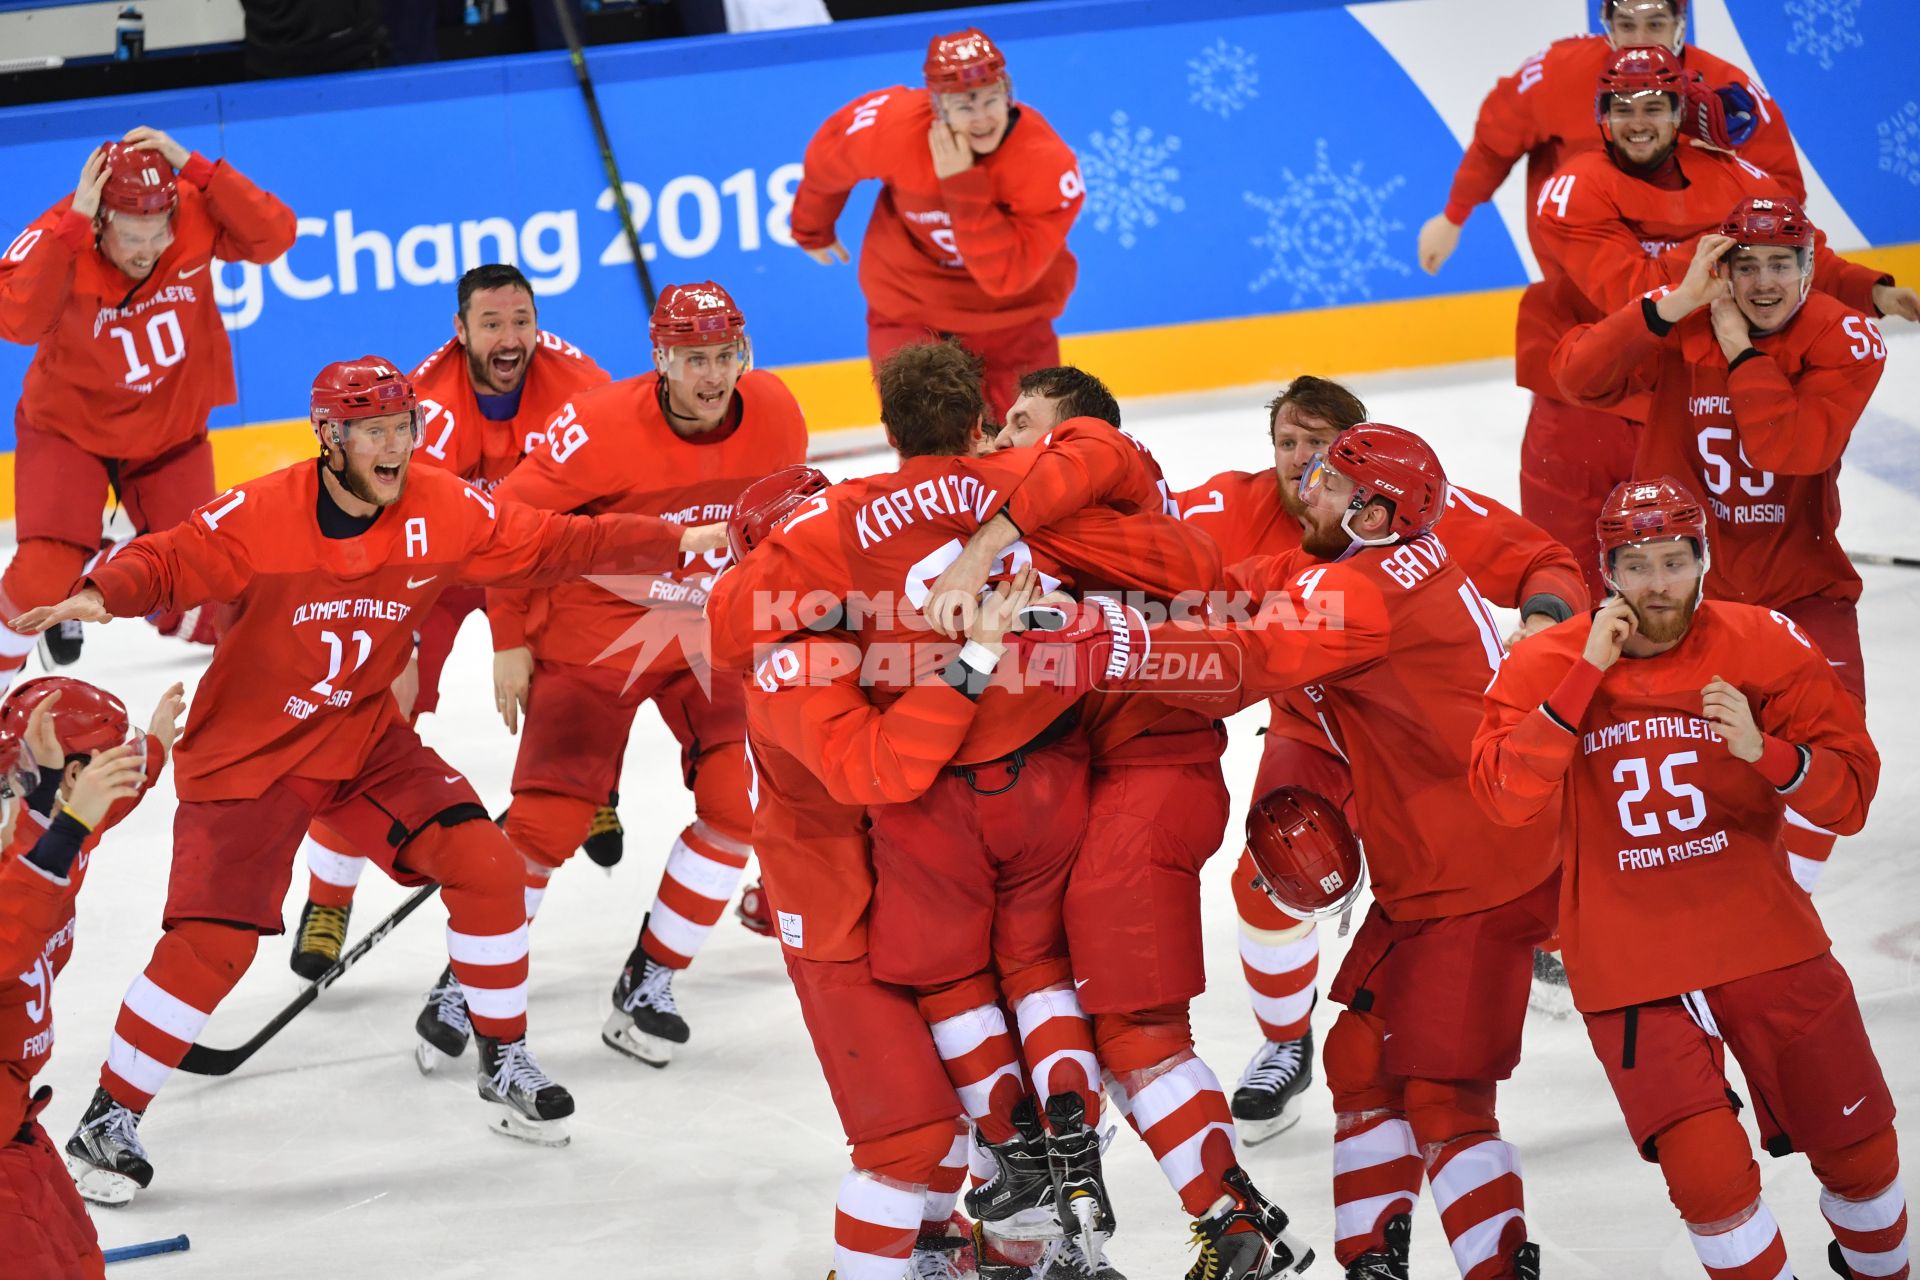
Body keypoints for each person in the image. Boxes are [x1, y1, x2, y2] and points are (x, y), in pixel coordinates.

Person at [14, 355, 719, 1202]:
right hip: (249, 760)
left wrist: (675, 537)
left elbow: (557, 542)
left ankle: (503, 1059)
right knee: (215, 947)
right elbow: (171, 558)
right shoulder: (265, 512)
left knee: (490, 865)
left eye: (403, 427)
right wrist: (102, 588)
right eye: (373, 431)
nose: (395, 447)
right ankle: (107, 1119)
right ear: (328, 437)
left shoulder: (441, 505)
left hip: (363, 743)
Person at [711, 342, 1309, 1280]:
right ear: (983, 429)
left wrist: (964, 644)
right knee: (1024, 1004)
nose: (1020, 448)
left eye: (1038, 433)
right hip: (1058, 787)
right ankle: (1058, 1232)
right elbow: (1182, 551)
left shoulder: (855, 536)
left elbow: (866, 746)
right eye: (1010, 428)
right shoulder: (1051, 504)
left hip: (1031, 802)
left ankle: (1145, 1220)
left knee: (1037, 1045)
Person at [1100, 424, 1560, 1280]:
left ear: (1376, 511)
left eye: (1325, 479)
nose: (1303, 488)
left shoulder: (1370, 592)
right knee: (1361, 1060)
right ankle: (1369, 1261)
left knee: (1446, 1099)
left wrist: (1102, 647)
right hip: (1445, 869)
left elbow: (1241, 668)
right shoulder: (1379, 565)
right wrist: (1128, 595)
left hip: (1476, 878)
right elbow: (1248, 587)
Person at [1470, 478, 1902, 1280]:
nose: (1658, 584)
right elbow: (1499, 797)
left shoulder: (1763, 643)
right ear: (1607, 572)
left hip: (1763, 938)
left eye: (1675, 561)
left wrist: (1768, 754)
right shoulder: (1545, 664)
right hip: (1629, 967)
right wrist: (1581, 677)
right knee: (1710, 1186)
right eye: (1636, 565)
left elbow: (1851, 796)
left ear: (1704, 561)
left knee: (1863, 1154)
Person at [1170, 376, 1587, 1139]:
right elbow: (1151, 540)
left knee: (1529, 876)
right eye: (1287, 445)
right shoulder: (1227, 507)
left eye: (1320, 449)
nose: (1302, 465)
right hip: (1313, 730)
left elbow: (1544, 561)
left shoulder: (1421, 506)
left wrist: (1541, 621)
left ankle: (1573, 952)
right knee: (1267, 880)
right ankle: (1284, 1042)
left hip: (1420, 739)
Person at [414, 281, 806, 1073]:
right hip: (592, 644)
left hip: (703, 639)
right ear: (660, 358)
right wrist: (511, 638)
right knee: (545, 828)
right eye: (693, 357)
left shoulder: (776, 412)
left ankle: (650, 979)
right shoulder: (594, 429)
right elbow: (507, 529)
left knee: (742, 805)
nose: (711, 374)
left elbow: (779, 528)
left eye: (724, 354)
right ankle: (469, 975)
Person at [288, 261, 613, 981]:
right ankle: (328, 896)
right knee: (372, 721)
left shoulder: (582, 383)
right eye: (492, 324)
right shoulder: (426, 405)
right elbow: (390, 526)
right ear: (459, 330)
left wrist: (529, 635)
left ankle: (587, 789)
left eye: (521, 321)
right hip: (426, 568)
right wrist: (398, 637)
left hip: (530, 558)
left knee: (596, 666)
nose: (510, 337)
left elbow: (593, 509)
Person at [1551, 198, 1887, 891]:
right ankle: (1584, 912)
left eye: (1780, 265)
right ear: (1720, 268)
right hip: (1676, 594)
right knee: (1626, 752)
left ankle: (1781, 904)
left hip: (1801, 584)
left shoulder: (1845, 339)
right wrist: (1671, 308)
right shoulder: (1682, 316)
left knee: (1836, 755)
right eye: (1746, 264)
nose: (1763, 283)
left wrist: (1738, 348)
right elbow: (1577, 378)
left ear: (1809, 269)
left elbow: (1788, 446)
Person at [1517, 44, 1913, 600]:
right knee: (1571, 578)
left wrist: (1868, 289)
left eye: (1655, 106)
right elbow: (1628, 291)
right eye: (1624, 106)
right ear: (1601, 116)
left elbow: (1792, 249)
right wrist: (1711, 259)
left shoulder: (1736, 178)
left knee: (1678, 568)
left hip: (1683, 369)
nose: (1638, 122)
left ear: (1682, 113)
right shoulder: (1575, 186)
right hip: (1605, 384)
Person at [0, 128, 296, 684]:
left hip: (169, 435)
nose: (148, 251)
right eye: (133, 238)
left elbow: (276, 235)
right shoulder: (63, 231)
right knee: (41, 574)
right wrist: (68, 233)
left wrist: (202, 170)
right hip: (71, 433)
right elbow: (16, 322)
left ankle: (89, 571)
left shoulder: (194, 211)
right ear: (100, 222)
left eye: (159, 234)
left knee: (200, 584)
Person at [789, 27, 1084, 419]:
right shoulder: (895, 128)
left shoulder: (1047, 163)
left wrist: (962, 184)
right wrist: (812, 227)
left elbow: (1005, 276)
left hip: (1013, 316)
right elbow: (831, 155)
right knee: (925, 443)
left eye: (990, 100)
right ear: (938, 105)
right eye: (964, 105)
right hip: (910, 305)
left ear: (1007, 92)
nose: (981, 118)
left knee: (1032, 448)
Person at [1416, 0, 1803, 276]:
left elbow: (1785, 195)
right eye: (1626, 24)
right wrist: (1454, 216)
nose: (1640, 40)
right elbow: (1494, 142)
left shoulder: (1730, 96)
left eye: (1655, 24)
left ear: (1679, 23)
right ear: (1607, 23)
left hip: (1697, 290)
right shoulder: (1558, 71)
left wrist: (1720, 174)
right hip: (1581, 285)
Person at [0, 677, 178, 1277]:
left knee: (79, 1256)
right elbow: (10, 933)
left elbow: (106, 800)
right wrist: (70, 823)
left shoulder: (56, 824)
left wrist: (155, 745)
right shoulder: (48, 841)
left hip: (11, 1113)